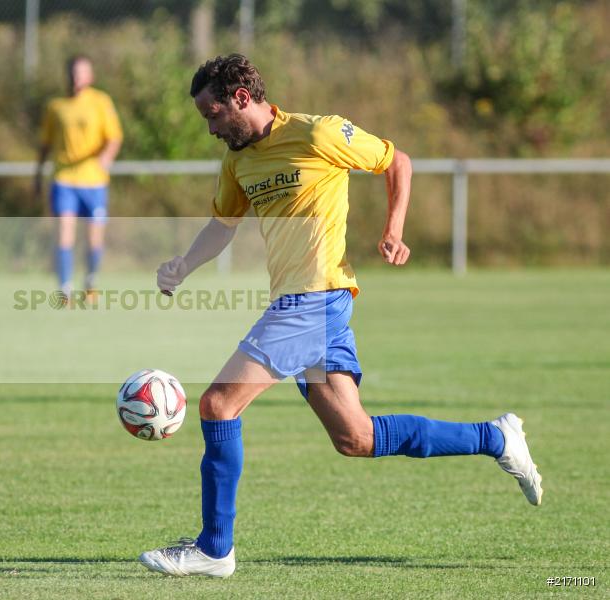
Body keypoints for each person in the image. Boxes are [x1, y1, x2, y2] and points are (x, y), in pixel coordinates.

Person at [139, 54, 542, 578]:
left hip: (315, 298)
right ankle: (496, 438)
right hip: (303, 304)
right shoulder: (238, 161)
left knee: (218, 404)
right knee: (358, 439)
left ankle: (214, 549)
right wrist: (183, 266)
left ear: (241, 99)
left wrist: (394, 228)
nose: (211, 127)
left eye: (213, 114)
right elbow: (223, 224)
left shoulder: (318, 133)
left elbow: (397, 162)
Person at [34, 55, 123, 301]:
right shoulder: (56, 106)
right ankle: (65, 288)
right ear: (67, 74)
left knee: (94, 237)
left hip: (94, 182)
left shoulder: (100, 101)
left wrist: (106, 158)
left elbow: (114, 137)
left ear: (90, 76)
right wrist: (37, 176)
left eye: (82, 72)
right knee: (65, 231)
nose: (77, 77)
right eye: (73, 72)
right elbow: (44, 144)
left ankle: (91, 281)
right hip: (64, 180)